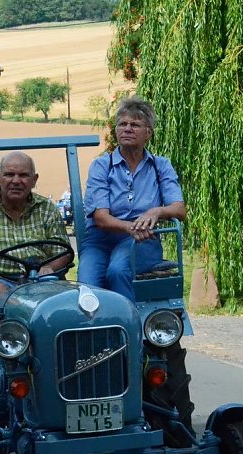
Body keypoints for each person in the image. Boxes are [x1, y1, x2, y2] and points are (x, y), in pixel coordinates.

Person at [0, 151, 72, 395]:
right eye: (9, 174)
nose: (16, 180)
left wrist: (49, 267)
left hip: (39, 282)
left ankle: (65, 384)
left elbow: (64, 251)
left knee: (68, 312)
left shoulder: (46, 208)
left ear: (34, 179)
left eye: (23, 175)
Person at [79, 96, 186, 302]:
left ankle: (127, 328)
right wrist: (130, 227)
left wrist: (157, 211)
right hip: (100, 240)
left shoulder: (160, 166)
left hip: (142, 240)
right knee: (87, 284)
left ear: (148, 133)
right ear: (116, 130)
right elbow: (101, 218)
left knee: (118, 271)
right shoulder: (102, 166)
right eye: (122, 124)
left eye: (135, 125)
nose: (127, 129)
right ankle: (94, 331)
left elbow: (179, 210)